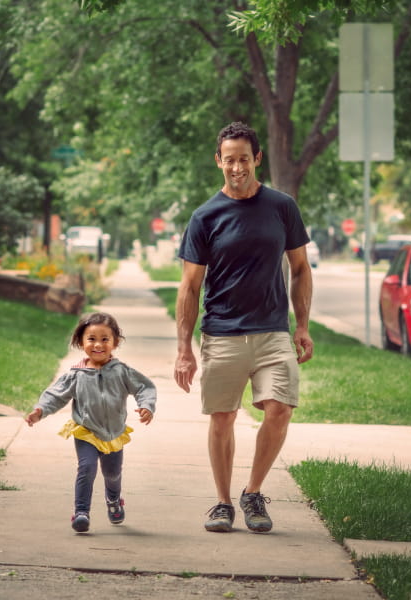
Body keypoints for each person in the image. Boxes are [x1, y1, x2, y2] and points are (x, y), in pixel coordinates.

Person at [173, 121, 314, 534]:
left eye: (244, 159)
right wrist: (184, 348)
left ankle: (253, 492)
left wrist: (301, 325)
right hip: (222, 332)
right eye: (229, 159)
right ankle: (222, 503)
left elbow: (301, 268)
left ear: (257, 159)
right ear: (218, 161)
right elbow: (189, 286)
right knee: (223, 417)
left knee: (280, 408)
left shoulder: (282, 207)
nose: (237, 167)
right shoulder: (204, 217)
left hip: (272, 330)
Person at [26, 312, 157, 533]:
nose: (98, 344)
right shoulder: (76, 375)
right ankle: (81, 512)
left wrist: (147, 406)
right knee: (86, 468)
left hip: (114, 433)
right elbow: (55, 395)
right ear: (80, 342)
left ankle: (113, 499)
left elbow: (145, 387)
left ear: (115, 342)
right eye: (92, 339)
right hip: (86, 430)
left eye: (105, 339)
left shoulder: (122, 372)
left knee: (112, 473)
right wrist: (40, 410)